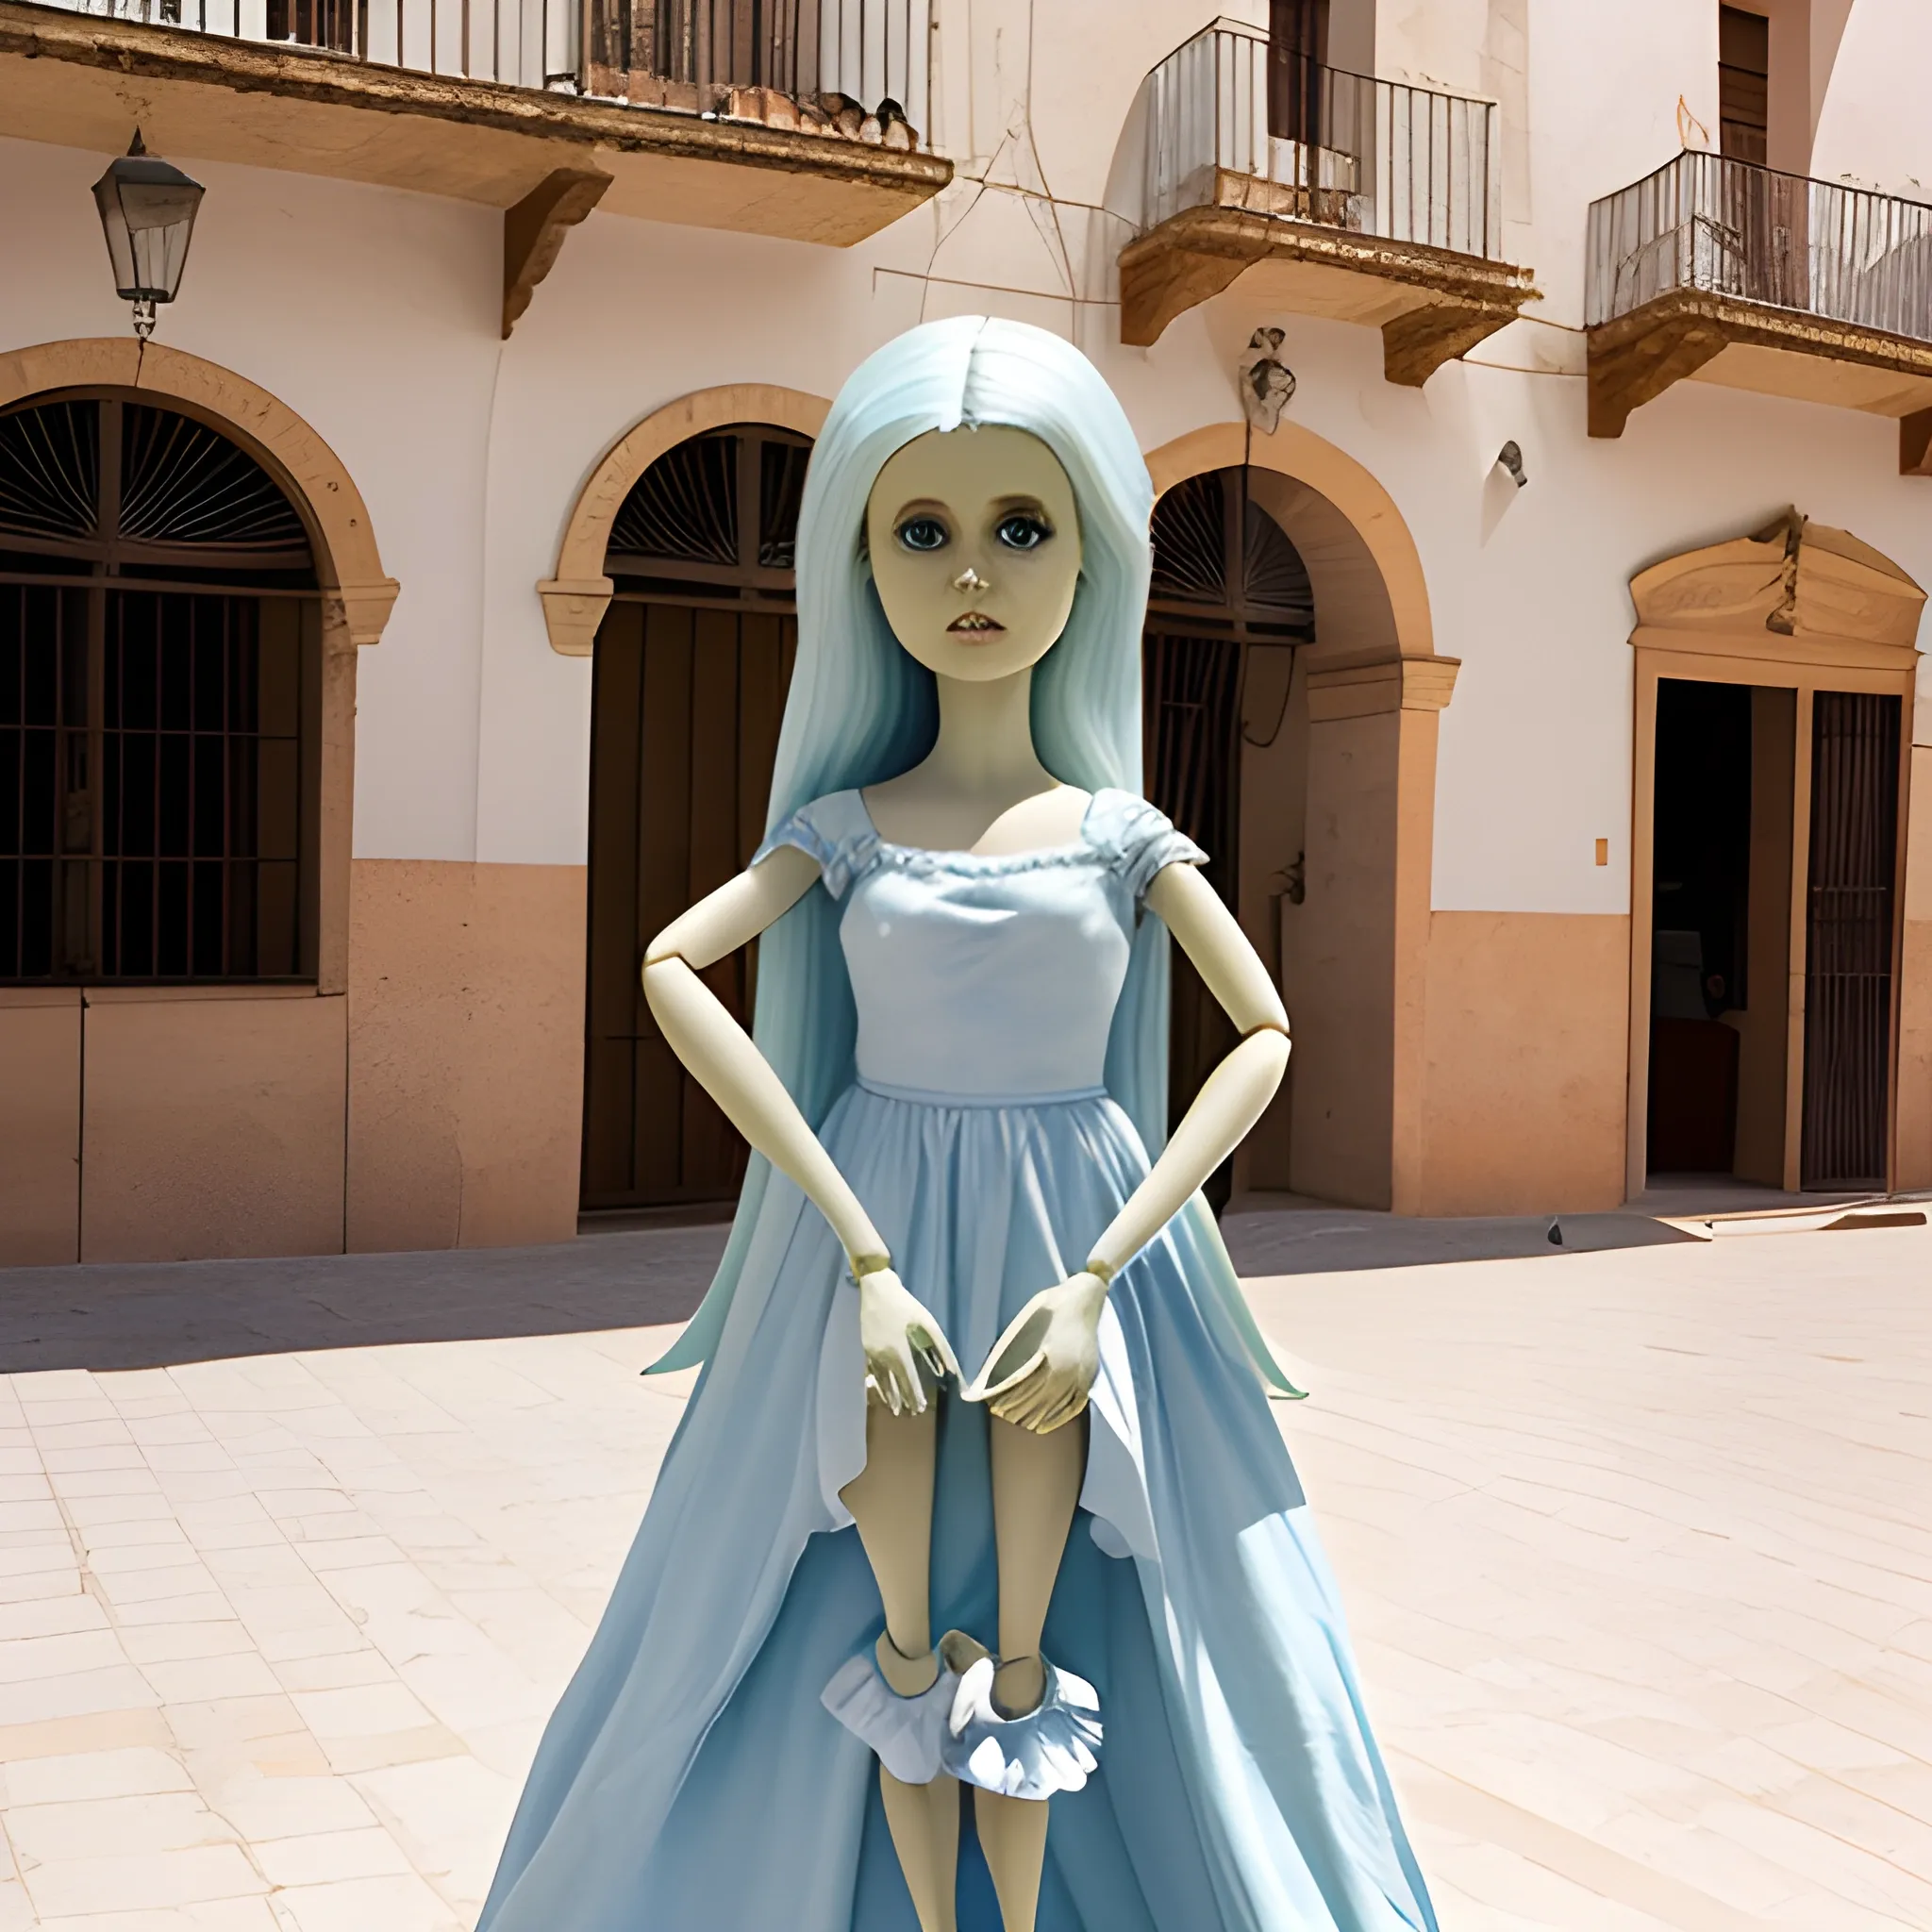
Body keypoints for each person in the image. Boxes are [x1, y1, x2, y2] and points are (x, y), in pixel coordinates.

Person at [476, 316, 1438, 1932]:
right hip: (878, 1227)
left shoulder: (1123, 837)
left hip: (1084, 1230)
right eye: (922, 531)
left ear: (1091, 563)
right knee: (827, 1592)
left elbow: (1264, 1033)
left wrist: (1109, 1271)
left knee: (1125, 1620)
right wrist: (851, 1239)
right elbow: (670, 964)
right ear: (861, 558)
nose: (971, 574)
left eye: (1021, 528)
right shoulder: (845, 830)